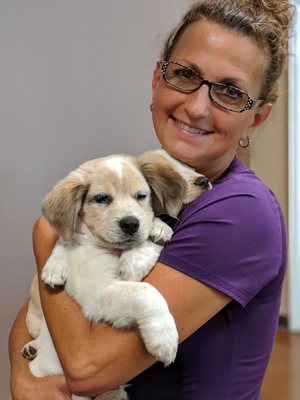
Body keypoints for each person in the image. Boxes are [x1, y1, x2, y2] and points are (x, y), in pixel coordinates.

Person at [9, 0, 293, 399]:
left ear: (257, 117)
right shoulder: (144, 190)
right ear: (157, 80)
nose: (196, 106)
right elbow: (36, 312)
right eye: (185, 74)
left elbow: (89, 369)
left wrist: (47, 236)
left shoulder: (240, 213)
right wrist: (25, 373)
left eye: (229, 92)